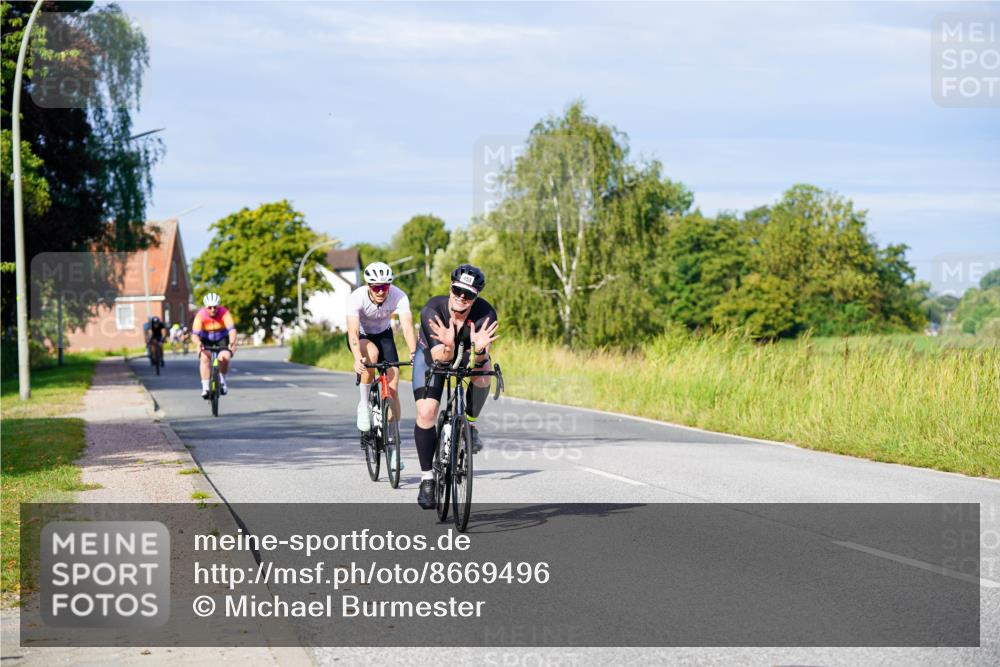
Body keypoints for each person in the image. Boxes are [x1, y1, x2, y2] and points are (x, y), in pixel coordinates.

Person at [412, 264, 499, 509]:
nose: (461, 297)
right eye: (457, 290)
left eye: (468, 294)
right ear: (450, 288)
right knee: (427, 413)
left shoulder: (485, 315)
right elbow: (441, 357)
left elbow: (481, 360)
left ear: (476, 297)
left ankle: (469, 423)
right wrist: (449, 344)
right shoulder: (433, 310)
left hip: (464, 350)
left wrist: (481, 351)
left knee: (483, 373)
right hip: (431, 356)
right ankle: (427, 478)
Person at [347, 262, 418, 467]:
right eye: (376, 287)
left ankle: (393, 446)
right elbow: (352, 332)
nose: (380, 291)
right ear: (369, 286)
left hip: (384, 335)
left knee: (393, 387)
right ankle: (363, 405)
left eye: (384, 287)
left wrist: (414, 353)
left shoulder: (399, 296)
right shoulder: (357, 297)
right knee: (371, 353)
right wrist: (356, 358)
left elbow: (406, 327)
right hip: (362, 336)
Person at [191, 292, 238, 398]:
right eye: (210, 307)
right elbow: (194, 335)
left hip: (222, 338)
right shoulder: (200, 315)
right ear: (205, 307)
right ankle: (205, 387)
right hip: (206, 339)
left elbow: (232, 330)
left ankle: (222, 380)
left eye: (215, 307)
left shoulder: (224, 313)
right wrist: (199, 343)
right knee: (204, 357)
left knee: (225, 357)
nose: (213, 310)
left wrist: (232, 342)